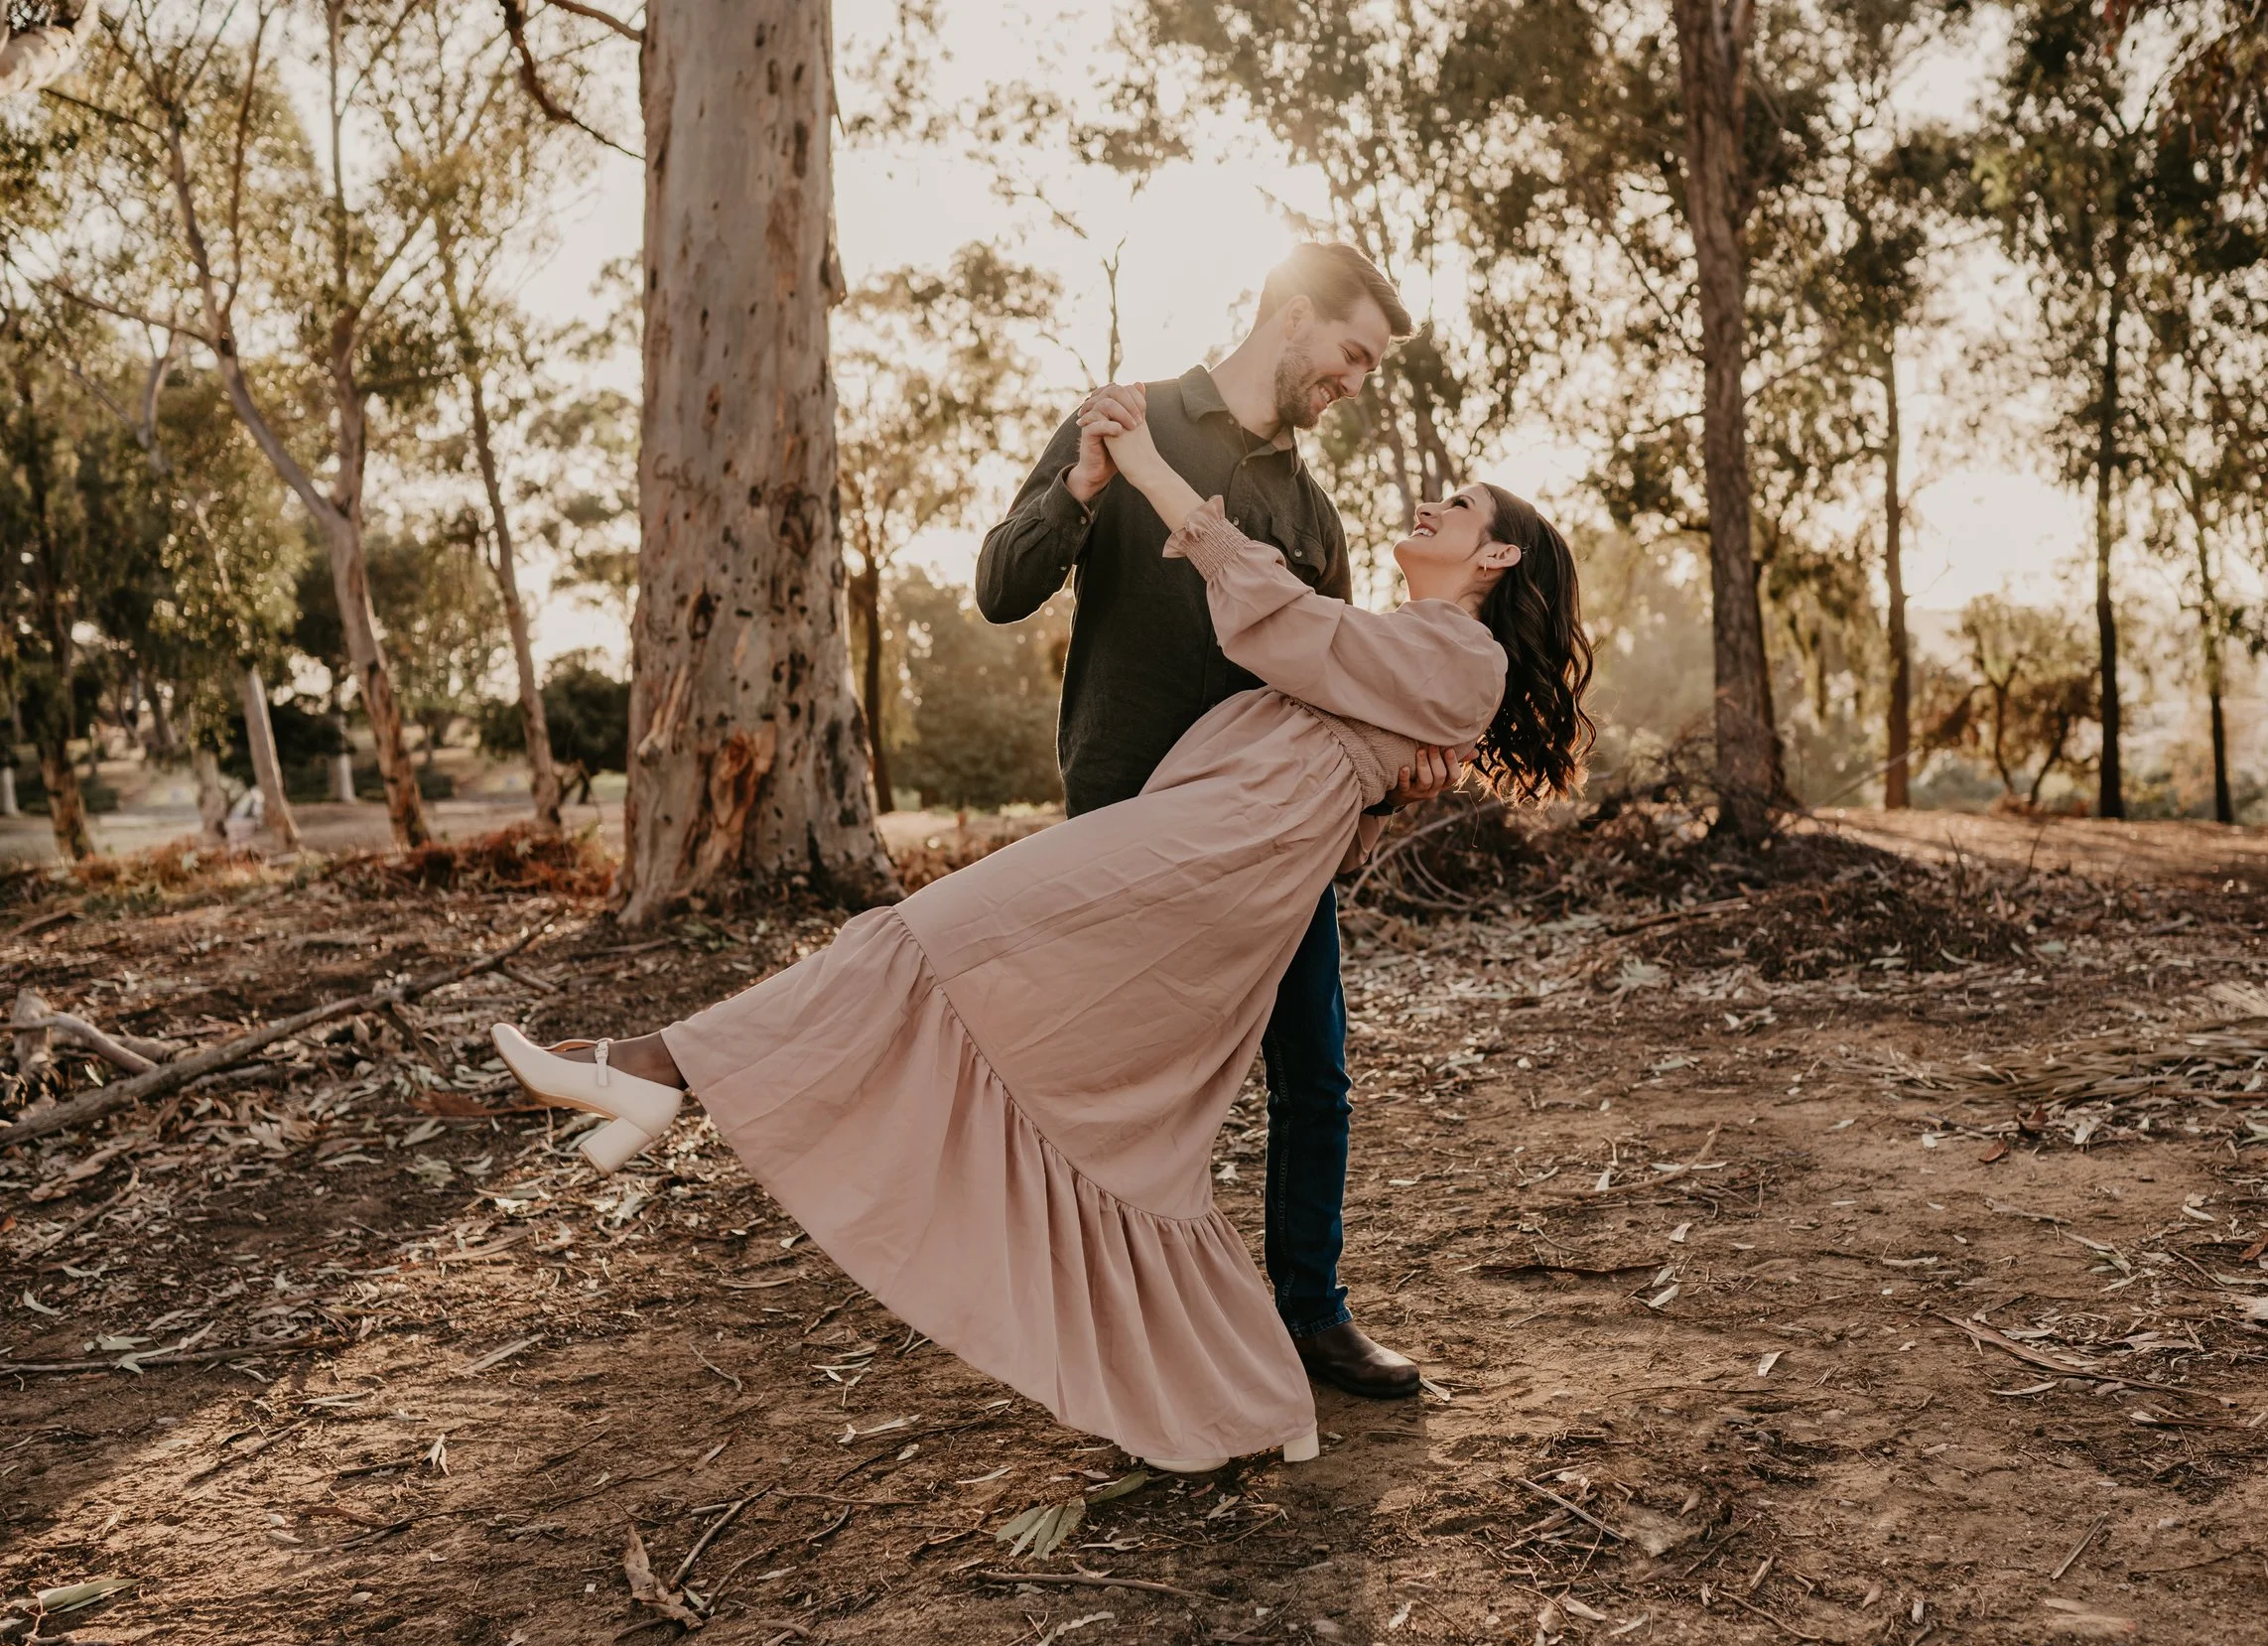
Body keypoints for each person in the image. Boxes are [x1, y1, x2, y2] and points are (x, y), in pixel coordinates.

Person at [490, 402, 1593, 1472]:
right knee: (1077, 1084)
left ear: (1494, 559)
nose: (1428, 505)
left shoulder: (1466, 661)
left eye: (1456, 505)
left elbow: (1282, 622)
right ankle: (1235, 1395)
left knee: (925, 937)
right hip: (1206, 828)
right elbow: (1329, 703)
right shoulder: (1412, 646)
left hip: (1219, 844)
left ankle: (658, 1068)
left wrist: (1157, 476)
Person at [975, 242, 1449, 1403]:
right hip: (1125, 809)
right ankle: (1099, 1329)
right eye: (1350, 353)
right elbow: (998, 588)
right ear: (1290, 317)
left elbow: (1336, 685)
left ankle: (1313, 1317)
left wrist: (1398, 772)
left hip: (1269, 839)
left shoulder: (1313, 511)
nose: (1354, 381)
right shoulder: (1125, 422)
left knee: (1314, 1074)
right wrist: (1083, 486)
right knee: (1116, 1077)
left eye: (1371, 368)